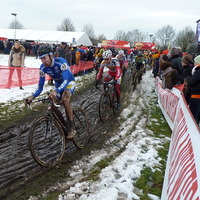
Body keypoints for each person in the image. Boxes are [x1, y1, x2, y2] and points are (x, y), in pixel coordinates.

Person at [25, 44, 76, 139]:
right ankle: (65, 124)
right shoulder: (42, 68)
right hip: (58, 85)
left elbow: (65, 80)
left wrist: (56, 91)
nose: (43, 61)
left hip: (69, 82)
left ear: (51, 55)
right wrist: (32, 97)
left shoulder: (61, 62)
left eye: (44, 58)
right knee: (51, 102)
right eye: (41, 59)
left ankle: (72, 128)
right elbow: (40, 87)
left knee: (65, 100)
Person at [186, 55, 200, 125]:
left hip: (196, 96)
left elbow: (192, 82)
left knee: (194, 117)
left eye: (195, 62)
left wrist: (189, 79)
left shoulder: (198, 72)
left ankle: (193, 132)